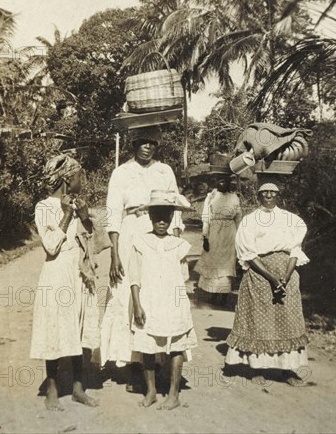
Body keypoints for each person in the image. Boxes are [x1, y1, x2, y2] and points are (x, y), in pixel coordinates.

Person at [100, 127, 185, 378]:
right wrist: (115, 255)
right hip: (130, 232)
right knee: (127, 293)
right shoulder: (122, 173)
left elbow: (176, 209)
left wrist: (174, 245)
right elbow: (113, 213)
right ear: (134, 144)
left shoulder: (164, 170)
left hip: (159, 234)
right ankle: (133, 362)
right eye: (143, 142)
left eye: (153, 143)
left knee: (157, 292)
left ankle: (157, 358)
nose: (148, 146)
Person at [30, 154, 107, 410]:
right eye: (78, 176)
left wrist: (85, 217)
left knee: (79, 328)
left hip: (79, 274)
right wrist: (66, 214)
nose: (81, 180)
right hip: (57, 274)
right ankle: (52, 389)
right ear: (66, 179)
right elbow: (51, 247)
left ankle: (77, 388)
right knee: (54, 327)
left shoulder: (79, 205)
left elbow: (96, 243)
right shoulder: (44, 207)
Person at [225, 183, 310, 386]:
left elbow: (294, 250)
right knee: (259, 321)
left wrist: (286, 277)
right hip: (259, 274)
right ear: (258, 196)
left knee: (288, 321)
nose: (269, 196)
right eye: (265, 193)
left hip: (287, 274)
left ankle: (287, 370)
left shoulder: (290, 219)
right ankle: (258, 369)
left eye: (273, 192)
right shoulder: (250, 221)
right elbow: (248, 253)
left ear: (278, 195)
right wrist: (271, 277)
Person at [129, 190, 197, 410]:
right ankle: (151, 391)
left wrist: (181, 306)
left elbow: (183, 277)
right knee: (147, 346)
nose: (161, 221)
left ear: (171, 217)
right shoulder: (140, 242)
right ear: (149, 216)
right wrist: (138, 305)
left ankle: (174, 394)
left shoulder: (179, 245)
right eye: (157, 215)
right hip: (148, 301)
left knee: (177, 346)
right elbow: (134, 278)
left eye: (166, 216)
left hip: (173, 302)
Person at [195, 175, 242, 306]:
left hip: (229, 233)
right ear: (216, 182)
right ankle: (214, 293)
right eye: (220, 181)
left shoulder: (234, 197)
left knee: (227, 263)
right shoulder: (211, 196)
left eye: (225, 181)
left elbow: (238, 217)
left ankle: (224, 294)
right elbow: (206, 217)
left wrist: (239, 236)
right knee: (213, 260)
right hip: (214, 231)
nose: (222, 183)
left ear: (229, 182)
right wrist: (205, 236)